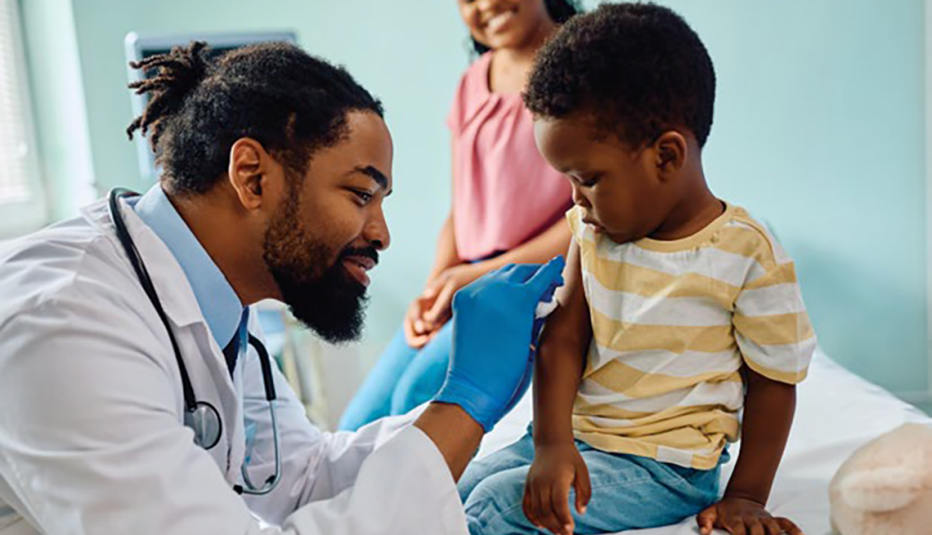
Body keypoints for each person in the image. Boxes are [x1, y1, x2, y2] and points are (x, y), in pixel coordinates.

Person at [0, 41, 564, 535]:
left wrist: (483, 413)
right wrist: (463, 404)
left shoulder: (210, 305)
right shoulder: (65, 320)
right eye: (359, 194)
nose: (381, 234)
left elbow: (302, 478)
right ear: (251, 176)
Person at [458, 4, 815, 535]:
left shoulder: (746, 253)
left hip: (663, 468)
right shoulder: (591, 232)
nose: (576, 201)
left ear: (666, 157)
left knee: (493, 509)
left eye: (588, 178)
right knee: (452, 488)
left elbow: (773, 383)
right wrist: (552, 444)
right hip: (572, 439)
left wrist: (745, 495)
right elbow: (564, 339)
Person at [338, 0, 579, 432]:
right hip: (468, 277)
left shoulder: (584, 69)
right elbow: (463, 206)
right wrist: (437, 288)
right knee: (358, 422)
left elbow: (587, 219)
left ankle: (407, 499)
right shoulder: (473, 82)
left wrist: (470, 278)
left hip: (536, 281)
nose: (486, 4)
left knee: (415, 401)